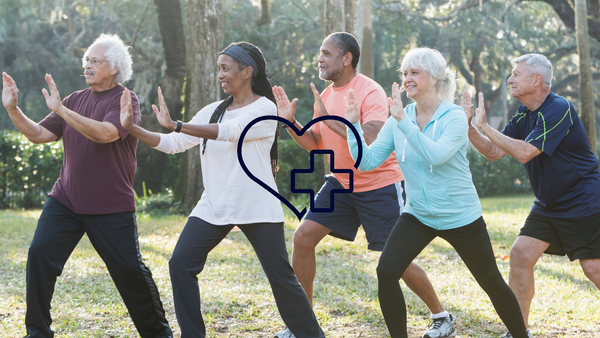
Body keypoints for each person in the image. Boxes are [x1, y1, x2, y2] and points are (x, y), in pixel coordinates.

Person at [120, 41, 325, 338]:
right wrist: (133, 129)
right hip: (214, 205)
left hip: (256, 204)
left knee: (281, 279)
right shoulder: (214, 110)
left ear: (247, 72)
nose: (220, 75)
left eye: (225, 68)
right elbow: (174, 144)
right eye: (218, 69)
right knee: (180, 264)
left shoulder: (266, 109)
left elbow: (231, 133)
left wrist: (177, 124)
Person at [273, 32, 454, 338]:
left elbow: (371, 135)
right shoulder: (327, 96)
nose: (320, 58)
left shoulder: (368, 90)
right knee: (303, 237)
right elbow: (317, 144)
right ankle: (302, 324)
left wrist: (330, 119)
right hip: (341, 184)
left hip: (379, 184)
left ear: (346, 59)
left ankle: (441, 316)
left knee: (396, 261)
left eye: (326, 53)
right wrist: (290, 123)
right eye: (321, 53)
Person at [345, 47, 530, 338]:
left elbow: (436, 156)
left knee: (490, 280)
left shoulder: (454, 117)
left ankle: (522, 335)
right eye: (404, 73)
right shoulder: (399, 118)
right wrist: (353, 124)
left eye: (414, 72)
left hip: (460, 216)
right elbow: (366, 161)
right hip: (418, 214)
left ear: (434, 78)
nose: (407, 78)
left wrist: (403, 123)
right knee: (387, 271)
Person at [1, 34, 172, 338]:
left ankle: (159, 334)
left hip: (110, 204)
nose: (88, 65)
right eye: (87, 60)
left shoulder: (125, 99)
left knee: (129, 272)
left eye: (95, 60)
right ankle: (37, 332)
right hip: (66, 198)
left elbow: (106, 133)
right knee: (40, 254)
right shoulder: (74, 99)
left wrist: (62, 111)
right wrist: (13, 109)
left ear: (115, 67)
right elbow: (39, 134)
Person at [461, 53, 600, 338]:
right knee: (520, 255)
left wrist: (485, 126)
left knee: (594, 269)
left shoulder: (558, 107)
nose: (510, 79)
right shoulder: (523, 114)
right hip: (549, 203)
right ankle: (518, 331)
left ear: (537, 80)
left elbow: (524, 153)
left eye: (516, 74)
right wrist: (469, 127)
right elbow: (495, 152)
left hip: (583, 198)